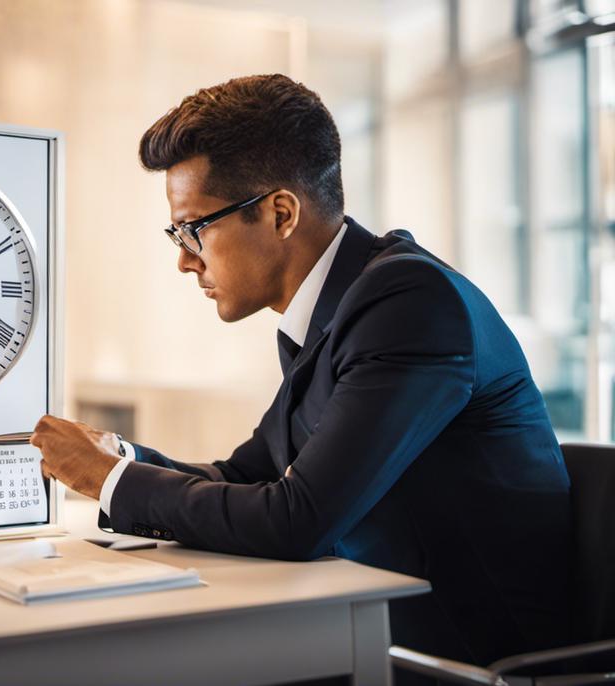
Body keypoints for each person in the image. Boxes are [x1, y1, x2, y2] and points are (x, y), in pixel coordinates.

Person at [30, 74, 572, 673]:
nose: (184, 260)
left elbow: (297, 520)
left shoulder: (408, 302)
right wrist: (117, 458)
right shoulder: (339, 308)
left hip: (473, 662)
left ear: (280, 213)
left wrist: (111, 478)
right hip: (380, 635)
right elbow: (246, 475)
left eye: (194, 229)